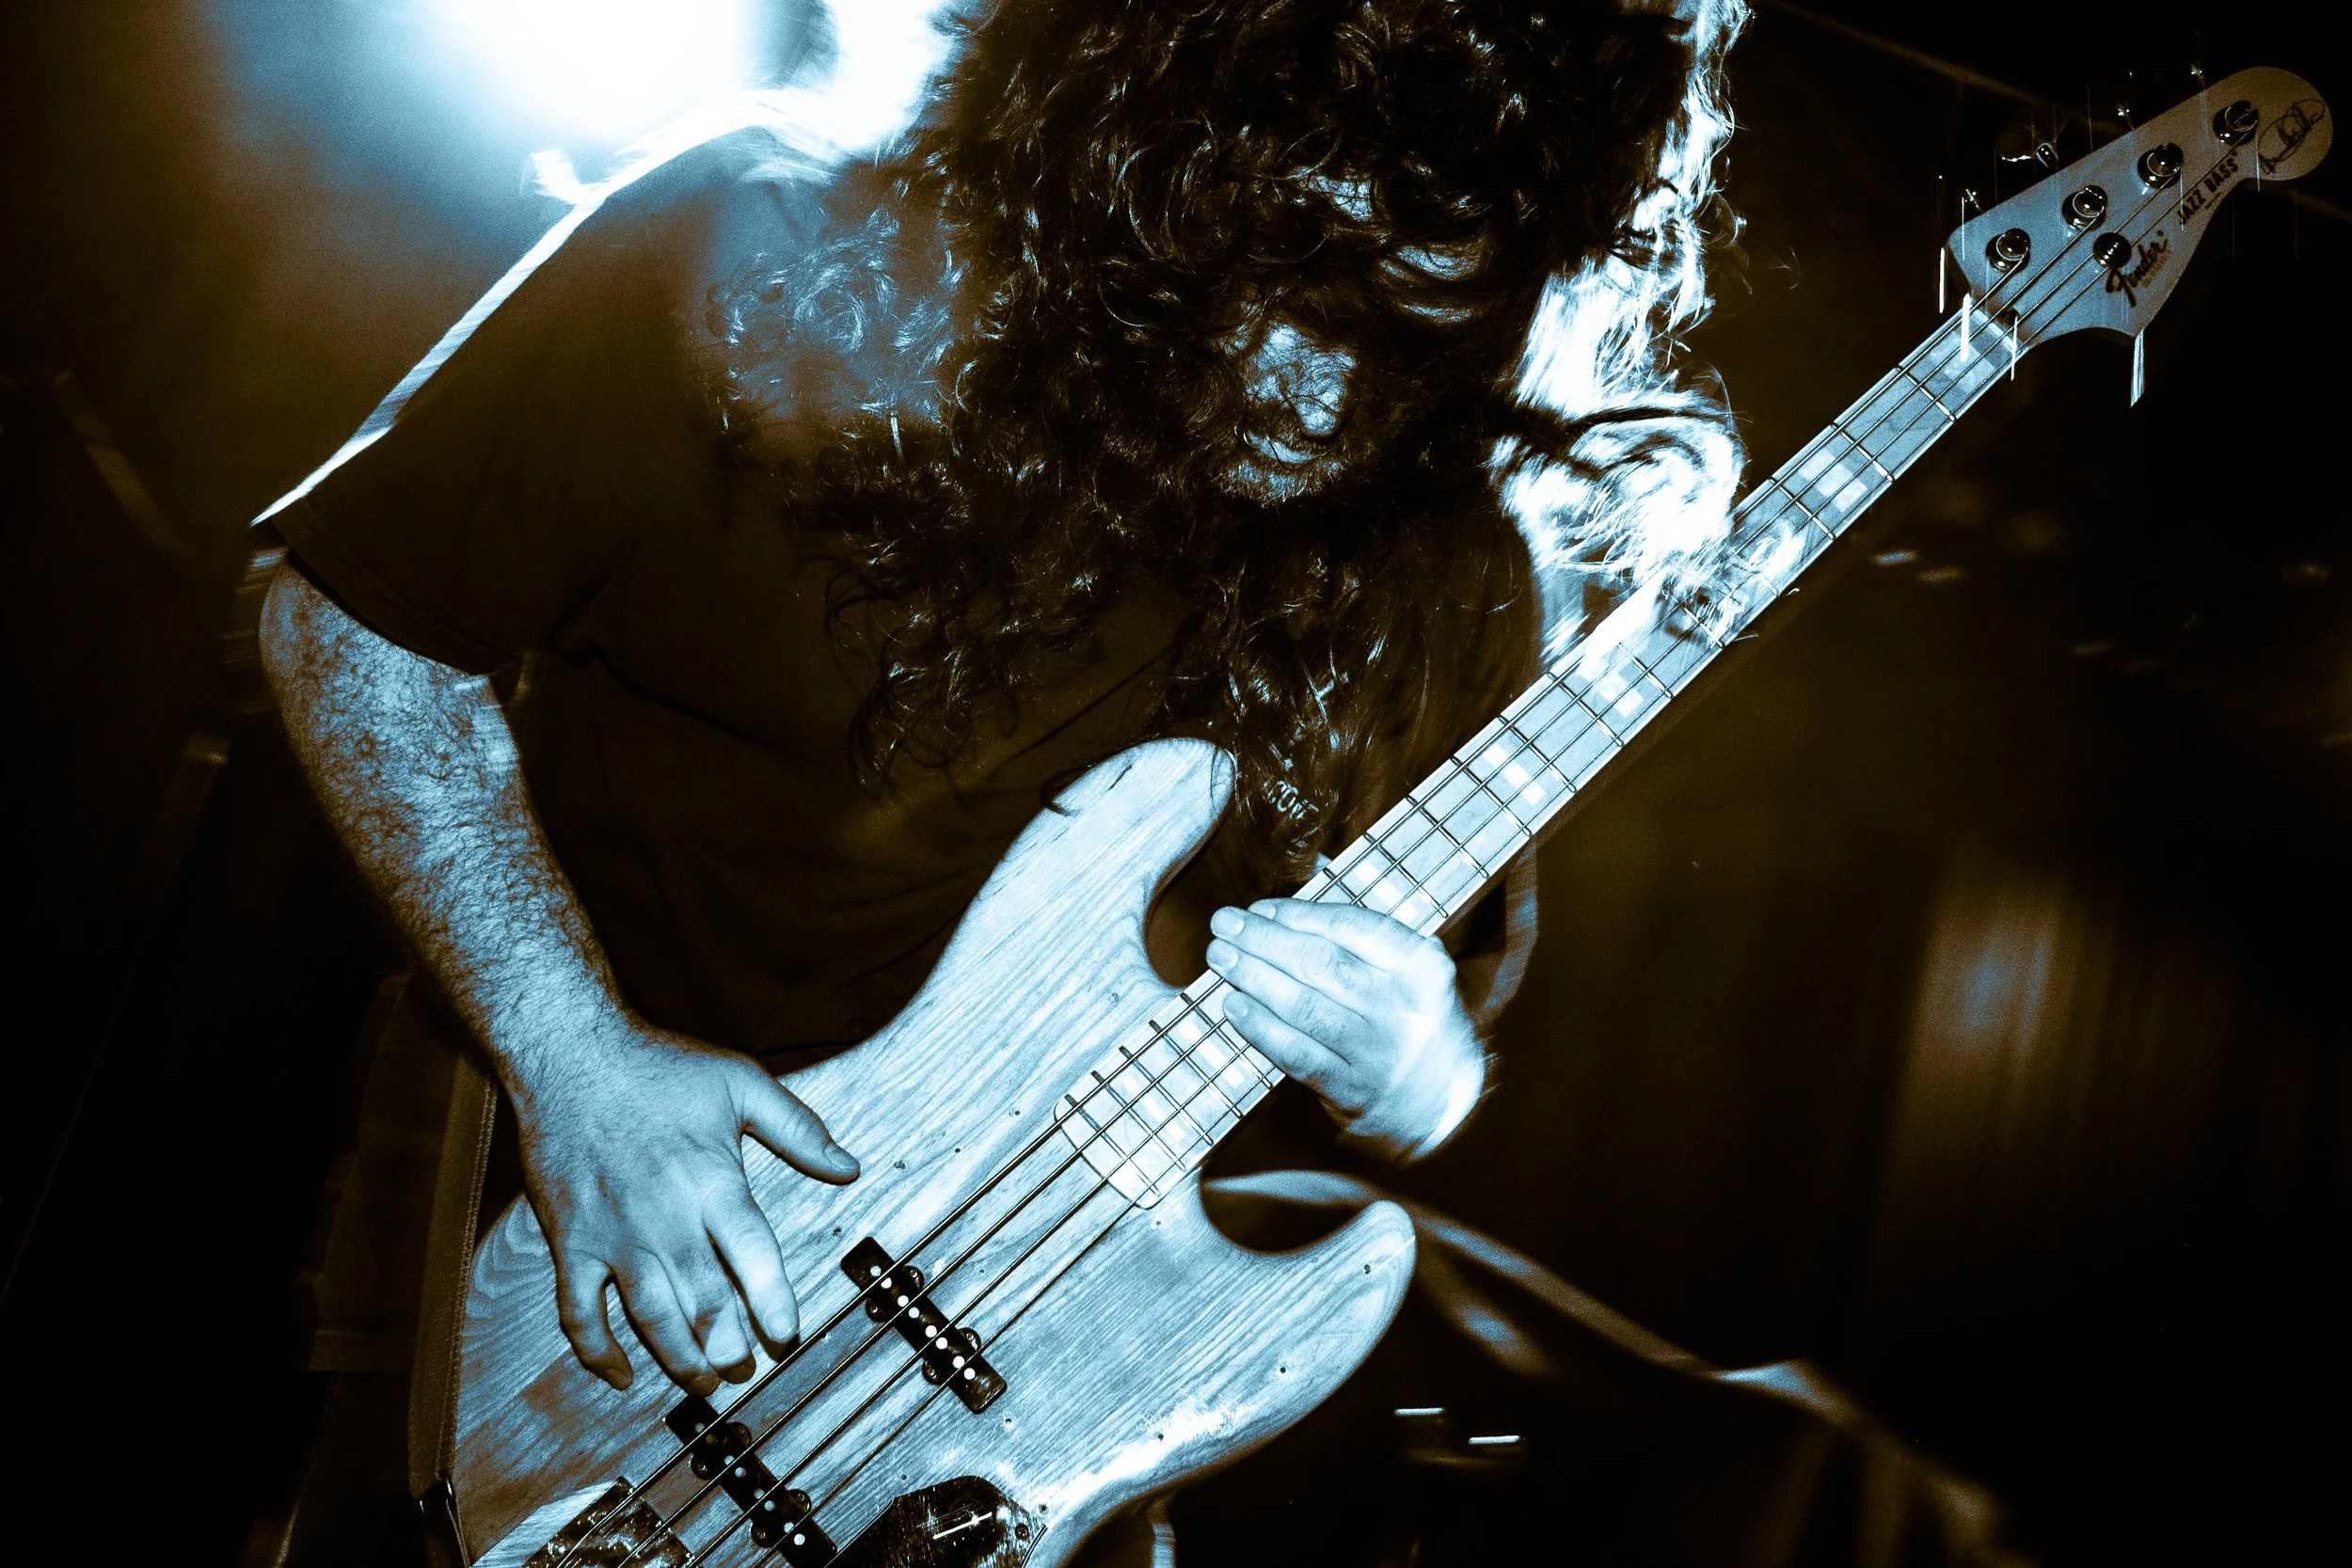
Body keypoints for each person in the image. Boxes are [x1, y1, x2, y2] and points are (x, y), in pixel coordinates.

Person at [259, 0, 1743, 1421]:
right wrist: (574, 1059)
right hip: (556, 1263)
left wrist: (1412, 1074)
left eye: (1412, 334)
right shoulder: (776, 240)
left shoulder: (1453, 581)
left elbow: (1431, 1076)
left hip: (1007, 1401)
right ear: (1132, 169)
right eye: (1281, 287)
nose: (1314, 386)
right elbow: (348, 612)